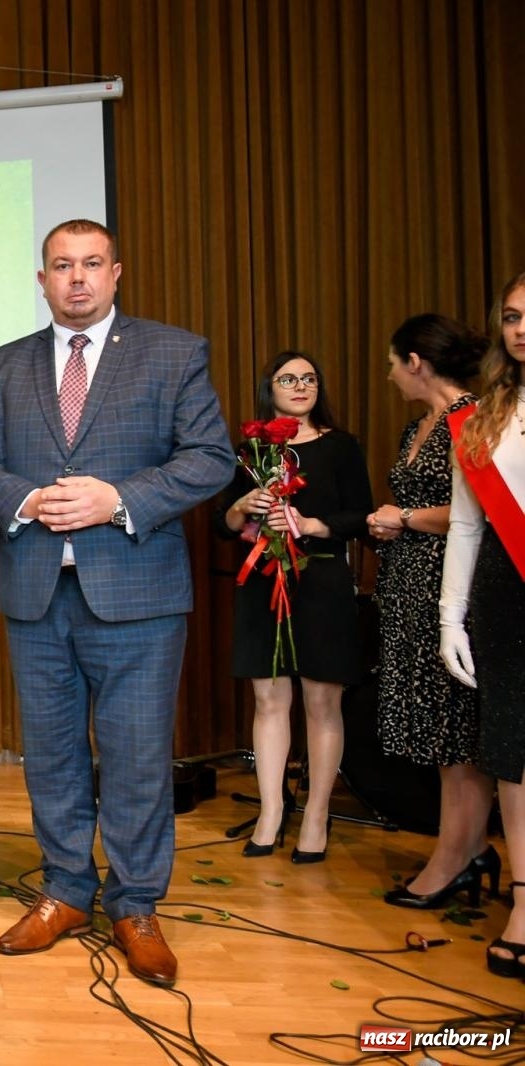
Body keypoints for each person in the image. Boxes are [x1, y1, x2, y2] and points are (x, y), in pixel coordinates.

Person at [0, 219, 233, 986]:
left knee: (136, 757)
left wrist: (119, 499)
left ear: (116, 273)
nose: (77, 278)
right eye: (62, 266)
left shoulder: (174, 353)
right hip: (38, 594)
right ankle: (67, 891)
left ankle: (135, 904)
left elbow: (211, 458)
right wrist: (26, 498)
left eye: (92, 264)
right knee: (52, 756)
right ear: (42, 280)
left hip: (139, 594)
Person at [218, 353, 372, 863]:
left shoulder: (341, 445)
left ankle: (316, 814)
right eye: (289, 379)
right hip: (262, 580)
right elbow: (225, 523)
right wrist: (244, 506)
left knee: (322, 703)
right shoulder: (251, 451)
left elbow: (362, 515)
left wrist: (311, 525)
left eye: (309, 378)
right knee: (268, 701)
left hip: (321, 580)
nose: (301, 385)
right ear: (271, 388)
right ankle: (271, 813)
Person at [367, 316, 496, 907]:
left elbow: (479, 510)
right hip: (408, 587)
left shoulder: (474, 419)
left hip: (453, 587)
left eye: (394, 364)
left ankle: (455, 859)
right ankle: (468, 848)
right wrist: (391, 524)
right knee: (438, 731)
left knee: (457, 732)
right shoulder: (416, 426)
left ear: (416, 362)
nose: (390, 375)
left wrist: (405, 517)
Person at [439, 270, 525, 978]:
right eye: (513, 316)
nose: (521, 329)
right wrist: (451, 620)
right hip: (504, 594)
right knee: (513, 758)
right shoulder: (483, 416)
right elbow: (466, 526)